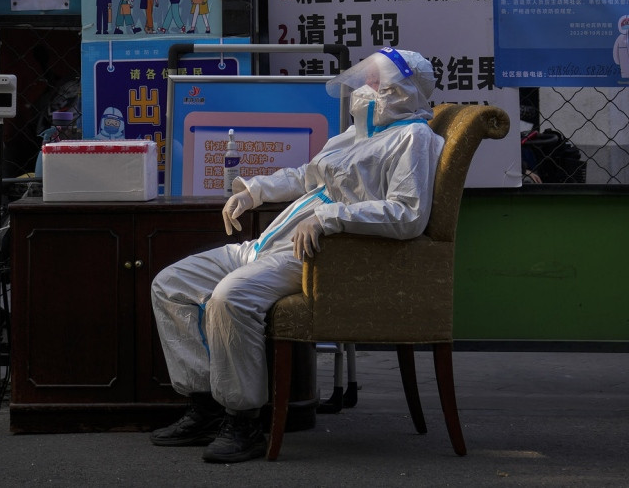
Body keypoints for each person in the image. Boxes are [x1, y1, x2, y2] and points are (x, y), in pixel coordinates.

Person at [149, 47, 445, 464]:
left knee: (230, 298)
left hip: (319, 254)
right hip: (272, 241)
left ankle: (243, 419)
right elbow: (305, 176)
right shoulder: (356, 134)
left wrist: (331, 217)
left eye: (376, 82)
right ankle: (205, 405)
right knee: (171, 284)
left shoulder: (413, 138)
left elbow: (408, 213)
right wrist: (253, 191)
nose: (365, 88)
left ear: (401, 91)